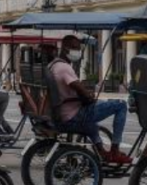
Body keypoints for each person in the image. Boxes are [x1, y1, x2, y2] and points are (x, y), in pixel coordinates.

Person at [49, 35, 132, 164]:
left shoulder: (53, 65)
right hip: (72, 115)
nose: (78, 51)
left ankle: (101, 151)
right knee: (120, 105)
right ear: (66, 48)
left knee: (99, 110)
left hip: (63, 112)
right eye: (75, 48)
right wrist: (89, 96)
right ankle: (115, 150)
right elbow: (81, 90)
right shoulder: (64, 68)